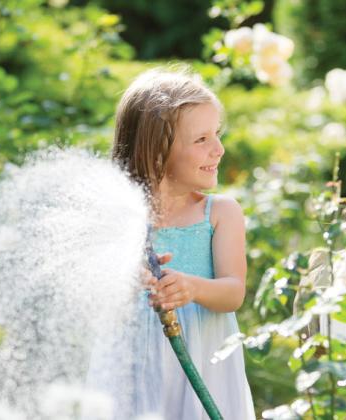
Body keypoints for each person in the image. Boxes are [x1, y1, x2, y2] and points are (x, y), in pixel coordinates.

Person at [111, 68, 255, 419]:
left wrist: (191, 288)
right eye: (201, 140)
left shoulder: (220, 213)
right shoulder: (122, 219)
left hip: (204, 364)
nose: (218, 149)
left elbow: (233, 293)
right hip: (138, 368)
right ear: (157, 150)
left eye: (217, 135)